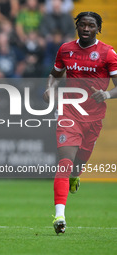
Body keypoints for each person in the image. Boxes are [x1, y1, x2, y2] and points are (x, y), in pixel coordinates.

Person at [43, 12, 117, 234]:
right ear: (77, 26)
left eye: (91, 25)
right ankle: (59, 215)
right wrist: (50, 87)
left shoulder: (108, 53)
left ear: (98, 28)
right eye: (82, 25)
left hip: (93, 118)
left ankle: (76, 174)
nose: (86, 28)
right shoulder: (65, 49)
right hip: (69, 112)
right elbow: (54, 74)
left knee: (79, 163)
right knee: (65, 161)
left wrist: (106, 95)